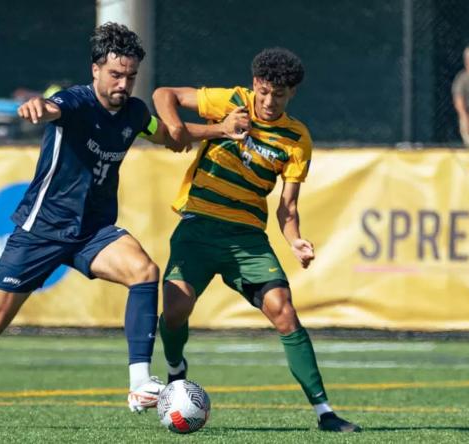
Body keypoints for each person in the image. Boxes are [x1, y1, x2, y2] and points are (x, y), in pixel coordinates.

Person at [0, 22, 241, 428]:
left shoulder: (135, 113)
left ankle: (140, 382)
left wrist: (218, 129)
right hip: (42, 230)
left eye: (130, 76)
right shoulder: (74, 101)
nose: (123, 84)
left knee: (145, 271)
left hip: (93, 232)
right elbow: (52, 107)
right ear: (95, 70)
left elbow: (168, 136)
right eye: (115, 75)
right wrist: (38, 106)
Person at [152, 47, 362, 433]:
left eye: (278, 95)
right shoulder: (231, 101)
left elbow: (288, 207)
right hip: (198, 227)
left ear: (292, 94)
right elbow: (164, 94)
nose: (268, 101)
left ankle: (325, 412)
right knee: (176, 309)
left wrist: (295, 240)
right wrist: (179, 127)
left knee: (284, 311)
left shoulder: (297, 139)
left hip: (247, 238)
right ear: (254, 85)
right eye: (263, 92)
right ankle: (175, 368)